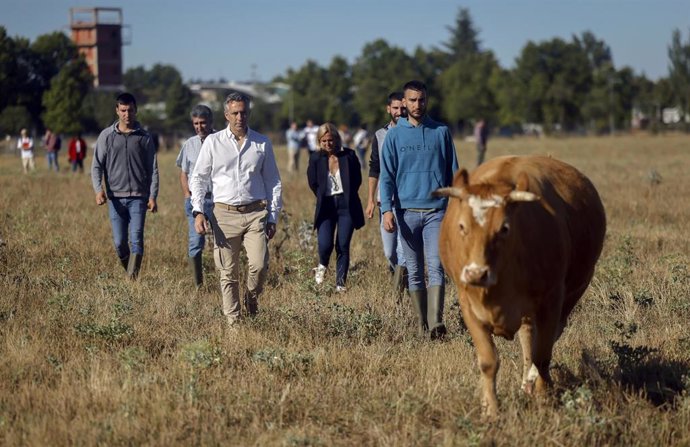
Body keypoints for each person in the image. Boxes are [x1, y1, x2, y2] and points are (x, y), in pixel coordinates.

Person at [190, 92, 282, 328]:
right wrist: (198, 211)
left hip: (255, 213)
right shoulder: (213, 142)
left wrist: (273, 216)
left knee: (259, 265)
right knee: (227, 272)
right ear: (226, 115)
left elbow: (273, 181)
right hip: (224, 214)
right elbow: (198, 178)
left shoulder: (262, 143)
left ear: (249, 113)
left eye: (244, 112)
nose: (240, 117)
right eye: (235, 113)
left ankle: (251, 300)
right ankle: (234, 322)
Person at [379, 80, 459, 339]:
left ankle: (436, 324)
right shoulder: (394, 136)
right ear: (404, 103)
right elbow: (386, 177)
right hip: (406, 212)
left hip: (436, 210)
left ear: (427, 100)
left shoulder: (441, 132)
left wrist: (457, 206)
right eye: (412, 100)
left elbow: (453, 173)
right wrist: (386, 211)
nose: (417, 104)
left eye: (421, 99)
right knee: (414, 270)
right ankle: (421, 326)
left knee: (436, 267)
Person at [91, 92, 159, 279]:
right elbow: (96, 165)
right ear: (117, 111)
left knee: (136, 238)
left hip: (139, 197)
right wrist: (99, 190)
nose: (126, 114)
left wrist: (153, 196)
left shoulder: (144, 137)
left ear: (136, 111)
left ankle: (131, 280)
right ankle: (132, 274)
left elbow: (153, 169)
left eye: (130, 110)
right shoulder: (106, 136)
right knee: (120, 242)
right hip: (115, 199)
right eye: (123, 110)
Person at [307, 123, 364, 292]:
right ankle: (322, 264)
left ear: (337, 139)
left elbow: (357, 179)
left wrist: (348, 194)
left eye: (330, 140)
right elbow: (312, 182)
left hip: (346, 206)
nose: (327, 144)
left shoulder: (349, 156)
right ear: (319, 141)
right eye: (323, 141)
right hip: (326, 205)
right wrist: (322, 195)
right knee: (325, 244)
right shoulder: (316, 158)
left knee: (343, 245)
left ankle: (340, 284)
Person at [365, 91, 407, 303]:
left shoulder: (412, 132)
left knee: (402, 250)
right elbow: (374, 169)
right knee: (390, 251)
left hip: (407, 202)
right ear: (388, 109)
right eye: (396, 108)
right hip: (385, 202)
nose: (400, 112)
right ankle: (400, 277)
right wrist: (371, 199)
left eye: (402, 108)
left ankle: (398, 295)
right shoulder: (380, 135)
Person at [176, 104, 217, 289]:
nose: (199, 127)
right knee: (195, 242)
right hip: (196, 201)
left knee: (223, 243)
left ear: (210, 122)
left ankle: (224, 280)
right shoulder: (189, 144)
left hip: (218, 200)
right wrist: (187, 195)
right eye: (196, 123)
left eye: (203, 123)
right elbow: (184, 173)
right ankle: (198, 284)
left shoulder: (221, 141)